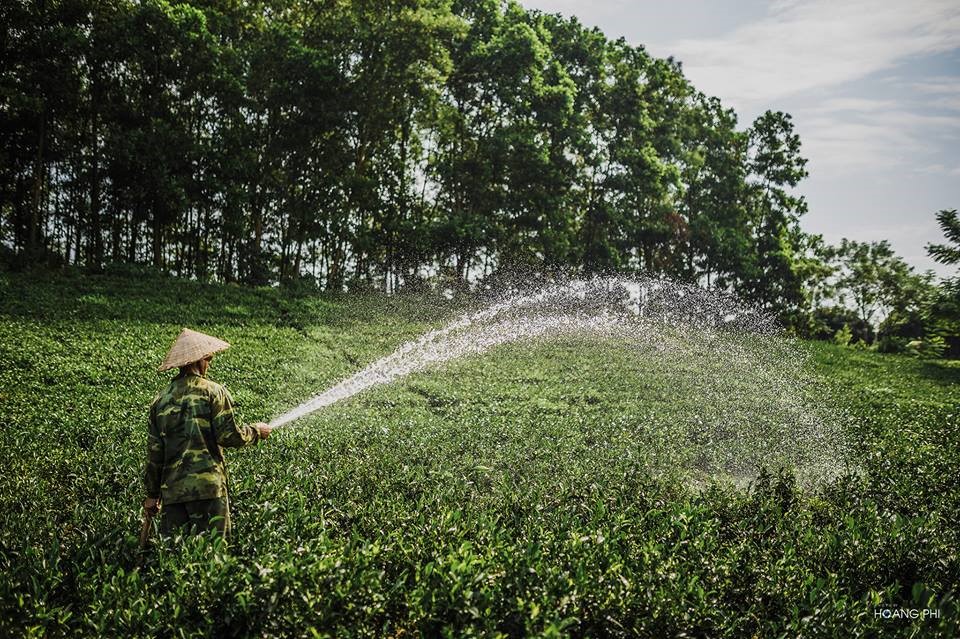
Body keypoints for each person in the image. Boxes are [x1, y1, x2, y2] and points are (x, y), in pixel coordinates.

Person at [143, 328, 272, 538]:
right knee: (213, 556)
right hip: (208, 489)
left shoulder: (160, 400)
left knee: (175, 558)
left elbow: (155, 453)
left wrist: (152, 495)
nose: (208, 365)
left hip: (173, 493)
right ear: (198, 360)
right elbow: (228, 436)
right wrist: (256, 431)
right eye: (208, 360)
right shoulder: (213, 391)